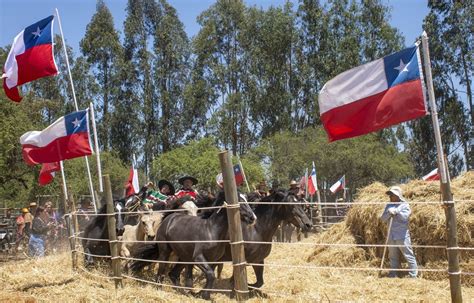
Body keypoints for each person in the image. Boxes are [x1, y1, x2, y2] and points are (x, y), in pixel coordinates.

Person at [381, 186, 418, 278]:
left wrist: (397, 212)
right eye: (389, 195)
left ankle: (413, 275)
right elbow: (383, 219)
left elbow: (405, 218)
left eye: (392, 195)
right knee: (392, 256)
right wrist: (388, 213)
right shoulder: (389, 205)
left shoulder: (405, 205)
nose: (390, 197)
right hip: (391, 235)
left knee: (408, 255)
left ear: (398, 195)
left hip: (402, 235)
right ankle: (394, 274)